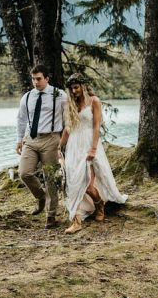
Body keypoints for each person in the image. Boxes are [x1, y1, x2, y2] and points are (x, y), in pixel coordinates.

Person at [58, 73, 127, 234]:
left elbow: (96, 127)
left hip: (89, 143)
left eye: (76, 87)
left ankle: (99, 204)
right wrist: (59, 146)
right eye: (71, 89)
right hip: (74, 145)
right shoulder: (71, 104)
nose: (74, 91)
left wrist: (94, 149)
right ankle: (76, 220)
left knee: (88, 185)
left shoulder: (94, 101)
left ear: (83, 85)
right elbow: (68, 129)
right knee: (73, 181)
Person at [16, 64, 67, 229]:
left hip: (51, 139)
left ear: (47, 78)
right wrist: (19, 139)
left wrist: (64, 142)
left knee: (51, 178)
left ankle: (51, 216)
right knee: (24, 172)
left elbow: (68, 119)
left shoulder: (60, 95)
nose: (35, 82)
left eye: (39, 79)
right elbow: (22, 119)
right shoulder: (28, 96)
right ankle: (40, 197)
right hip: (30, 140)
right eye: (33, 79)